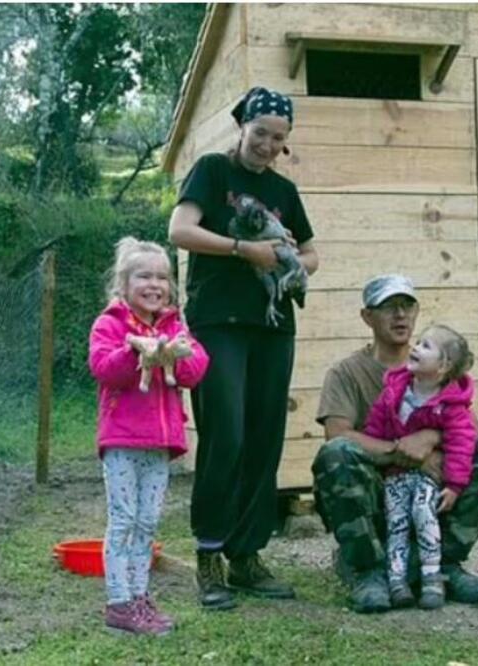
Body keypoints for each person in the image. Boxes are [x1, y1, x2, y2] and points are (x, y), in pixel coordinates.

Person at [168, 86, 319, 610]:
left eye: (278, 138)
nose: (268, 145)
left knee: (263, 438)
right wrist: (243, 250)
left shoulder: (285, 189)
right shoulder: (211, 171)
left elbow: (311, 252)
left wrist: (290, 262)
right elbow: (180, 230)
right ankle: (209, 554)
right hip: (217, 322)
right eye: (261, 134)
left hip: (273, 325)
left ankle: (247, 557)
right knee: (225, 433)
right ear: (243, 127)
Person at [312, 275, 478, 614]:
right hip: (377, 488)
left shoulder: (438, 367)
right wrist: (404, 452)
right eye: (388, 307)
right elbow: (338, 433)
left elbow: (471, 432)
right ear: (367, 317)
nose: (400, 315)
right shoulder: (346, 373)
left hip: (429, 492)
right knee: (337, 454)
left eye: (407, 306)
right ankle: (368, 570)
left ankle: (445, 563)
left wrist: (431, 438)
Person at [88, 237, 209, 635]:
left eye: (162, 277)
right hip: (122, 441)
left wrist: (177, 353)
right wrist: (137, 353)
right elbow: (104, 368)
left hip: (160, 444)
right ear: (123, 284)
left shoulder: (175, 326)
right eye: (143, 276)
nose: (154, 284)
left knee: (147, 522)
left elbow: (194, 372)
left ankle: (140, 596)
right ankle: (119, 601)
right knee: (123, 520)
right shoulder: (110, 323)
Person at [362, 324, 477, 611]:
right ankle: (397, 581)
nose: (415, 348)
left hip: (428, 480)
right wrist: (377, 459)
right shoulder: (394, 391)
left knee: (426, 519)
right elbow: (374, 427)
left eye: (426, 346)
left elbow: (463, 444)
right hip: (395, 477)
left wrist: (454, 485)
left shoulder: (450, 405)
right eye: (419, 343)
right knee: (396, 523)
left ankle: (432, 577)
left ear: (443, 366)